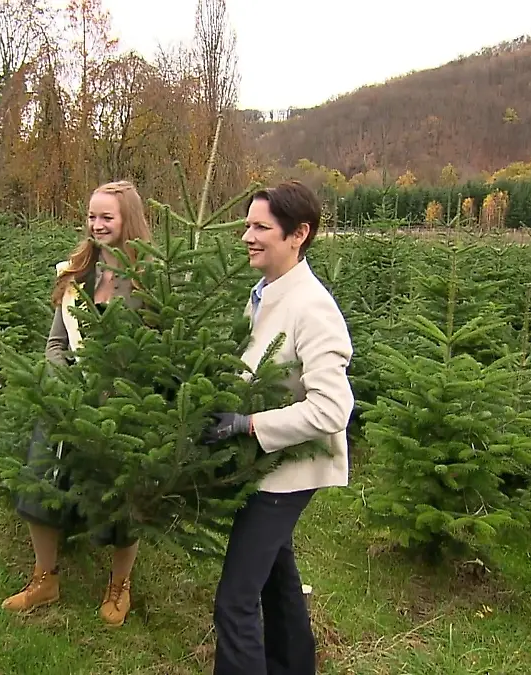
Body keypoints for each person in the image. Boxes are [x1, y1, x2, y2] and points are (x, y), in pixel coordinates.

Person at [202, 180, 355, 674]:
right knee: (276, 576)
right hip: (267, 463)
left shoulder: (312, 307)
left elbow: (332, 409)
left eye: (261, 227)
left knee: (235, 600)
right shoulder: (264, 292)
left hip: (288, 470)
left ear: (298, 234)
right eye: (247, 225)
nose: (247, 236)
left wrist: (248, 425)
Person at [2, 180, 152, 627]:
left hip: (121, 408)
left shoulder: (148, 279)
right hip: (66, 401)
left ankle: (119, 585)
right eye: (91, 216)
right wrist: (61, 384)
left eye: (107, 217)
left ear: (128, 219)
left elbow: (157, 349)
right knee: (39, 484)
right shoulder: (76, 273)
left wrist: (118, 392)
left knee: (123, 499)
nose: (96, 224)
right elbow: (56, 342)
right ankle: (44, 579)